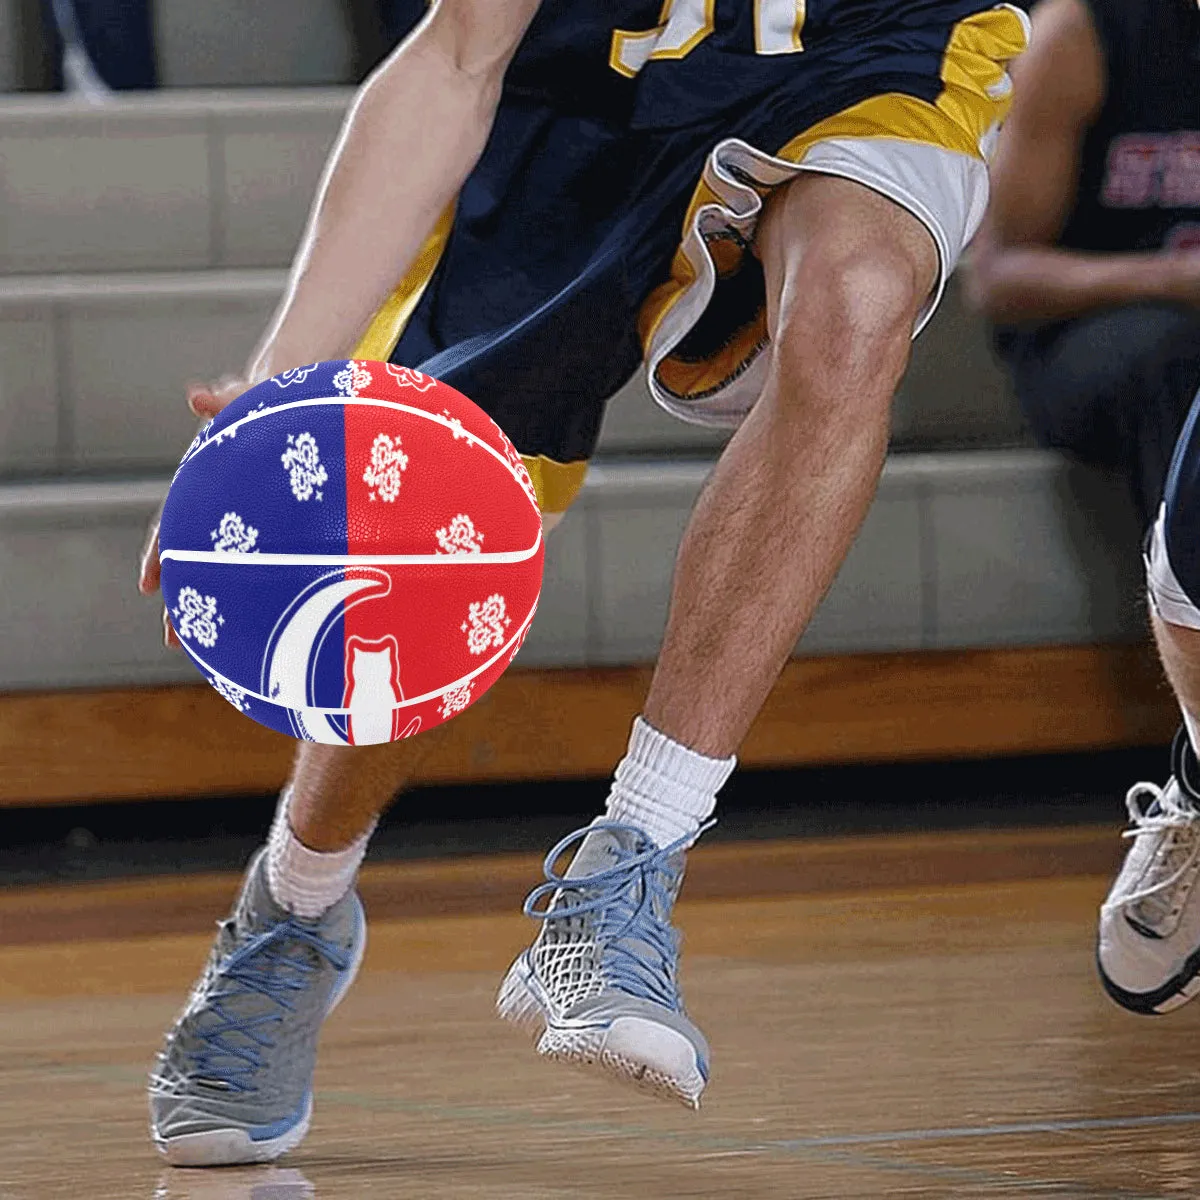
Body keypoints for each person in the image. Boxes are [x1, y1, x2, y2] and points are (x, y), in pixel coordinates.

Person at [138, 0, 1028, 1166]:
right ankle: (293, 907)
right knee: (421, 536)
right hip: (576, 106)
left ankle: (628, 874)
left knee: (857, 303)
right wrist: (274, 382)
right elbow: (458, 54)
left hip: (870, 57)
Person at [968, 0, 1200, 1019]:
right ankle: (1188, 774)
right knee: (1174, 356)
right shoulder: (1084, 36)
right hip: (1091, 338)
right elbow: (998, 275)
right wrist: (1172, 276)